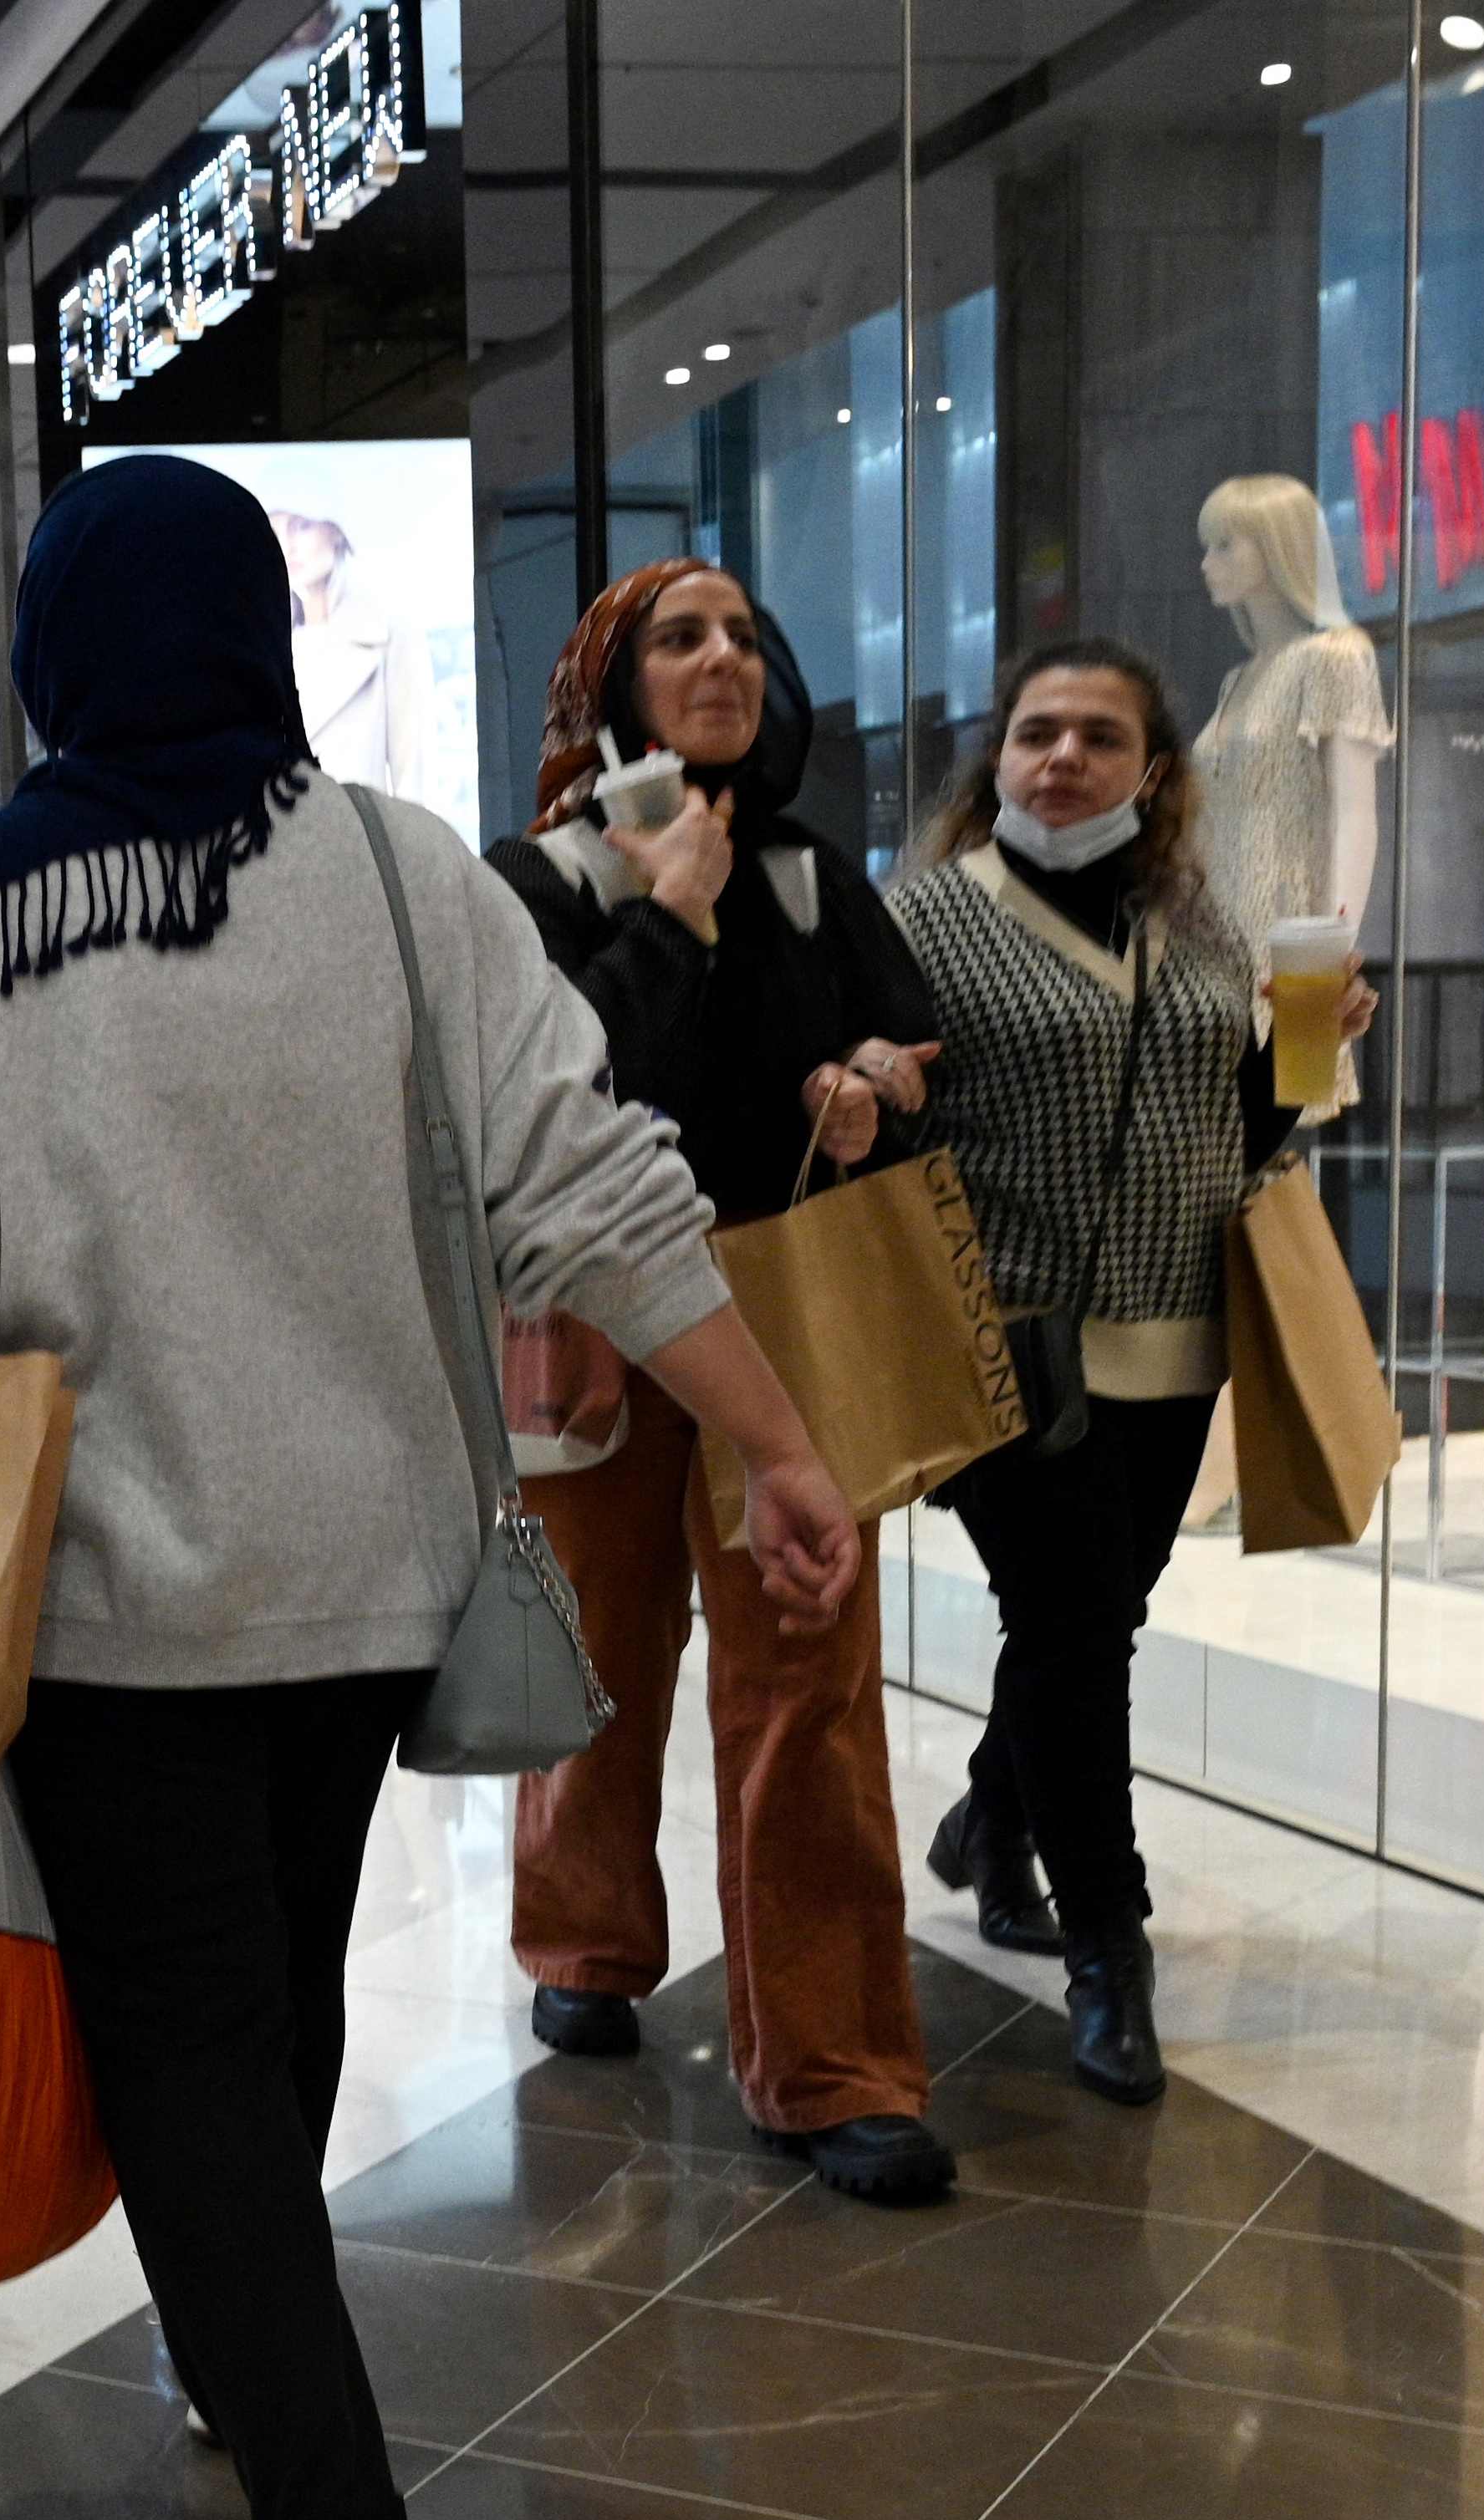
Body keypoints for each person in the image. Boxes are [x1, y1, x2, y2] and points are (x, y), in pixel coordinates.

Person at [0, 456, 859, 2520]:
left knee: (184, 2033)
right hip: (373, 1584)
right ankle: (236, 2339)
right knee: (259, 1996)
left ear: (53, 651)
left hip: (108, 1600)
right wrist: (775, 1439)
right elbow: (588, 1188)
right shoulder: (397, 876)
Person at [485, 561, 953, 2207]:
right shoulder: (537, 883)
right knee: (596, 1657)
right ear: (611, 681)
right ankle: (585, 1937)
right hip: (597, 1317)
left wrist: (876, 1084)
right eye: (682, 637)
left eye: (748, 634)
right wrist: (665, 915)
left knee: (809, 1679)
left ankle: (831, 2061)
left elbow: (914, 1042)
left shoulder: (816, 873)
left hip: (776, 1318)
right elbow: (552, 1096)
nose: (722, 660)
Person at [896, 641, 1367, 2103]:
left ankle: (989, 1818)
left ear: (1151, 772)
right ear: (997, 760)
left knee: (1090, 1614)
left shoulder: (1201, 924)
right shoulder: (923, 921)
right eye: (1036, 733)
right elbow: (889, 1130)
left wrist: (1304, 1058)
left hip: (1174, 1333)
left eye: (1098, 737)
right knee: (1073, 1627)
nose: (1061, 760)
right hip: (1006, 1335)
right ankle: (1112, 1948)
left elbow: (1235, 1137)